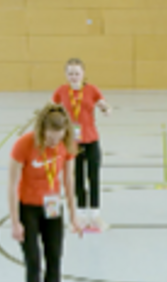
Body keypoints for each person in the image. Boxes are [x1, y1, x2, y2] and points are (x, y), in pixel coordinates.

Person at [9, 103, 82, 282]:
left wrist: (74, 215)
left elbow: (69, 181)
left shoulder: (66, 145)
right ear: (42, 130)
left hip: (52, 208)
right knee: (33, 261)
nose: (53, 142)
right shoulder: (25, 144)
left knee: (54, 259)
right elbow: (11, 185)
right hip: (28, 208)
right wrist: (15, 222)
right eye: (50, 137)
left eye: (58, 138)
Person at [52, 58, 111, 231]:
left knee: (93, 177)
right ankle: (80, 216)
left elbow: (104, 104)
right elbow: (51, 109)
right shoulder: (61, 91)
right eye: (70, 73)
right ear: (66, 74)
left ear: (83, 74)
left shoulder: (91, 90)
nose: (74, 76)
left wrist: (106, 109)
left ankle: (95, 215)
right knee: (76, 179)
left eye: (77, 73)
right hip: (71, 142)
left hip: (91, 140)